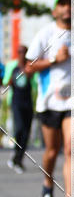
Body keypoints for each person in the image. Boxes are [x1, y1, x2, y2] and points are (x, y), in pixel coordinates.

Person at [25, 0, 73, 197]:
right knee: (52, 152)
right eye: (62, 4)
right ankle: (47, 183)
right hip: (50, 102)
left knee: (72, 149)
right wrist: (55, 60)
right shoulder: (46, 34)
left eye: (71, 5)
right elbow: (29, 66)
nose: (67, 8)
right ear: (55, 10)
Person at [3, 44, 35, 173]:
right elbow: (6, 82)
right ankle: (16, 156)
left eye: (24, 52)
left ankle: (18, 159)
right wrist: (11, 78)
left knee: (26, 133)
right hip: (16, 102)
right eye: (20, 51)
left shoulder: (30, 67)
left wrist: (30, 73)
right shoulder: (12, 66)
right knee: (19, 129)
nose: (22, 54)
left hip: (28, 103)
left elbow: (35, 84)